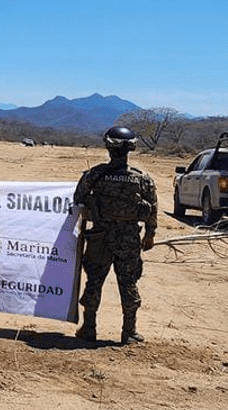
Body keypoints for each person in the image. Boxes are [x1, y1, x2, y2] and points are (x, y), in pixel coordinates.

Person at [73, 126, 158, 344]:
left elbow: (78, 200)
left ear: (108, 148)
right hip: (128, 240)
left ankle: (88, 329)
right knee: (128, 283)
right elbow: (152, 210)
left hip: (99, 238)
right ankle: (129, 332)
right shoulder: (143, 179)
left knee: (94, 282)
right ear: (131, 149)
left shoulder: (95, 174)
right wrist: (149, 236)